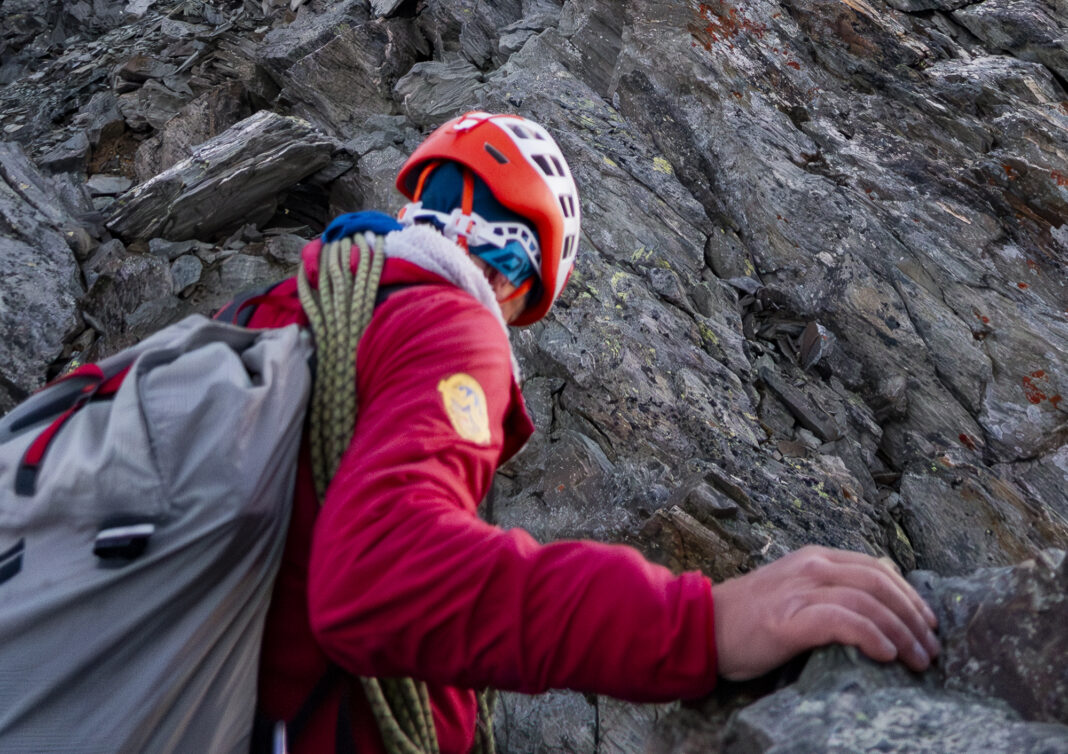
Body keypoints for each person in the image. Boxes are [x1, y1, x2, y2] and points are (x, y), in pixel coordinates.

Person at [244, 111, 938, 753]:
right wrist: (702, 626)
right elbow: (378, 577)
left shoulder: (268, 314)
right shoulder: (449, 323)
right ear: (522, 272)